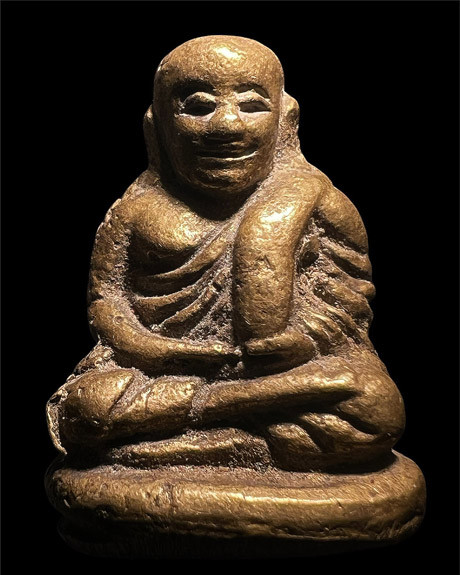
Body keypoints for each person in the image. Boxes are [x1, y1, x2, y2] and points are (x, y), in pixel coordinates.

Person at [47, 36, 404, 472]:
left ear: (286, 119)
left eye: (252, 106)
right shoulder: (135, 210)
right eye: (198, 107)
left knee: (375, 406)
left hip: (280, 372)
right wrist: (161, 352)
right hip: (166, 372)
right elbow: (107, 305)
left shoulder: (318, 201)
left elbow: (348, 299)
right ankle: (231, 420)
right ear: (157, 126)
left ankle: (190, 441)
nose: (227, 126)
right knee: (87, 406)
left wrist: (304, 339)